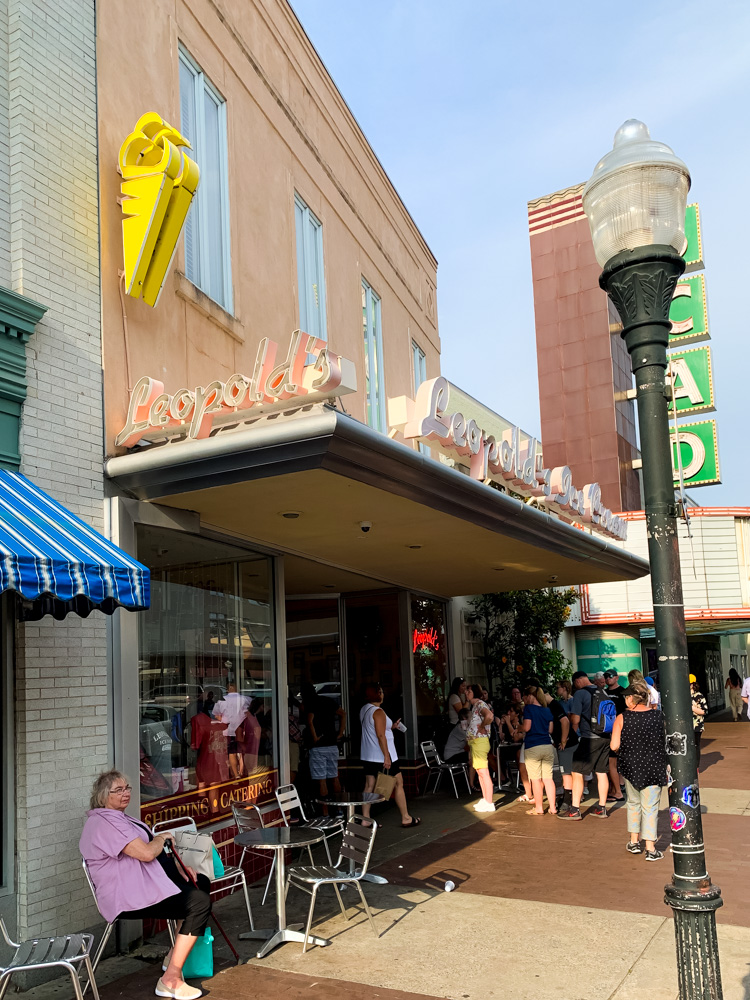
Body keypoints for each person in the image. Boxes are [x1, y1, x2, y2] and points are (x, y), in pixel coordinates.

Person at [80, 770, 210, 1000]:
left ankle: (173, 957)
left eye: (127, 788)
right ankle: (170, 979)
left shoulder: (119, 817)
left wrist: (178, 868)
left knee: (199, 882)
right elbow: (147, 853)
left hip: (141, 885)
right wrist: (162, 837)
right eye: (118, 790)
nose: (125, 793)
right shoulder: (103, 824)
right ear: (102, 796)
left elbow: (151, 853)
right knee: (198, 903)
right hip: (126, 896)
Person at [609, 682, 668, 861]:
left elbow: (614, 746)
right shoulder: (658, 716)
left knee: (633, 803)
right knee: (650, 808)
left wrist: (624, 751)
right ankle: (650, 848)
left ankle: (634, 842)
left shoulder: (622, 718)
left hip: (630, 767)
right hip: (653, 766)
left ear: (631, 699)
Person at [360, 683, 420, 827]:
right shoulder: (378, 711)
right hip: (383, 755)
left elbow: (375, 729)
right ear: (378, 694)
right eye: (381, 691)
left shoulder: (364, 709)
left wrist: (391, 727)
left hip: (368, 755)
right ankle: (406, 817)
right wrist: (386, 756)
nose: (383, 694)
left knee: (369, 785)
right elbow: (380, 735)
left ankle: (365, 819)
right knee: (399, 783)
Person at [559, 670, 612, 821]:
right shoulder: (602, 692)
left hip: (589, 738)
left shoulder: (580, 694)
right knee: (602, 772)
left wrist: (571, 736)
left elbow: (575, 720)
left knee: (577, 771)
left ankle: (575, 809)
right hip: (605, 736)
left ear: (577, 681)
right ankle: (602, 808)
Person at [301, 682, 346, 799]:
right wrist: (340, 733)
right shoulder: (327, 700)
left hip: (318, 746)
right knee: (334, 777)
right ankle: (339, 809)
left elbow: (310, 721)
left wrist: (315, 737)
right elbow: (343, 714)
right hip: (332, 744)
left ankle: (325, 813)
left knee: (322, 781)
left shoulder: (310, 703)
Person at [522, 685, 556, 815]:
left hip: (533, 746)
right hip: (547, 745)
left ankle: (539, 808)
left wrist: (518, 728)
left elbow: (527, 727)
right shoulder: (547, 711)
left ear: (531, 696)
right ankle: (553, 808)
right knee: (548, 778)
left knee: (535, 779)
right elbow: (550, 730)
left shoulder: (529, 709)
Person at [465, 683, 495, 812]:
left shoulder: (479, 704)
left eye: (469, 691)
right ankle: (485, 798)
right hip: (476, 742)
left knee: (483, 772)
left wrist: (482, 726)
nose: (466, 693)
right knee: (480, 772)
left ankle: (489, 802)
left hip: (479, 742)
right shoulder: (475, 706)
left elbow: (489, 716)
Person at [213, 683, 250, 779]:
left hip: (228, 730)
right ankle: (243, 771)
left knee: (232, 752)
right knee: (242, 751)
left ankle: (236, 774)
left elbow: (217, 715)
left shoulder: (221, 701)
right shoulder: (245, 699)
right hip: (242, 729)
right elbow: (249, 713)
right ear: (237, 689)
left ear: (227, 690)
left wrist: (223, 718)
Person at [550, 686, 576, 816]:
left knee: (566, 772)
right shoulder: (555, 704)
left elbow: (565, 721)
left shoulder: (554, 705)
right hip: (564, 742)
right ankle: (570, 797)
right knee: (569, 772)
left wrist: (563, 740)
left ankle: (568, 799)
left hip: (567, 743)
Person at [603, 670, 625, 803]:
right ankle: (614, 788)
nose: (608, 679)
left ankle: (618, 789)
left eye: (610, 676)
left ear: (616, 678)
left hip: (618, 730)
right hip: (606, 730)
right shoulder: (604, 692)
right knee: (610, 762)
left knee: (614, 762)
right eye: (606, 677)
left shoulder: (622, 692)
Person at [691, 674, 707, 767]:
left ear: (693, 684)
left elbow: (704, 711)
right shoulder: (682, 696)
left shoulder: (699, 696)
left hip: (697, 725)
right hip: (685, 725)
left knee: (696, 745)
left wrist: (692, 708)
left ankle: (696, 766)